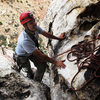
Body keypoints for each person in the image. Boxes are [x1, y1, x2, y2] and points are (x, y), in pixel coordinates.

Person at [13, 12, 66, 82]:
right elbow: (41, 55)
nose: (34, 23)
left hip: (30, 51)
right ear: (25, 26)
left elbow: (46, 34)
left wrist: (59, 38)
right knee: (28, 72)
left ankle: (36, 82)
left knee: (42, 65)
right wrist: (56, 62)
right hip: (22, 56)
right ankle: (33, 82)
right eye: (31, 23)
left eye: (34, 21)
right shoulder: (25, 40)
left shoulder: (35, 28)